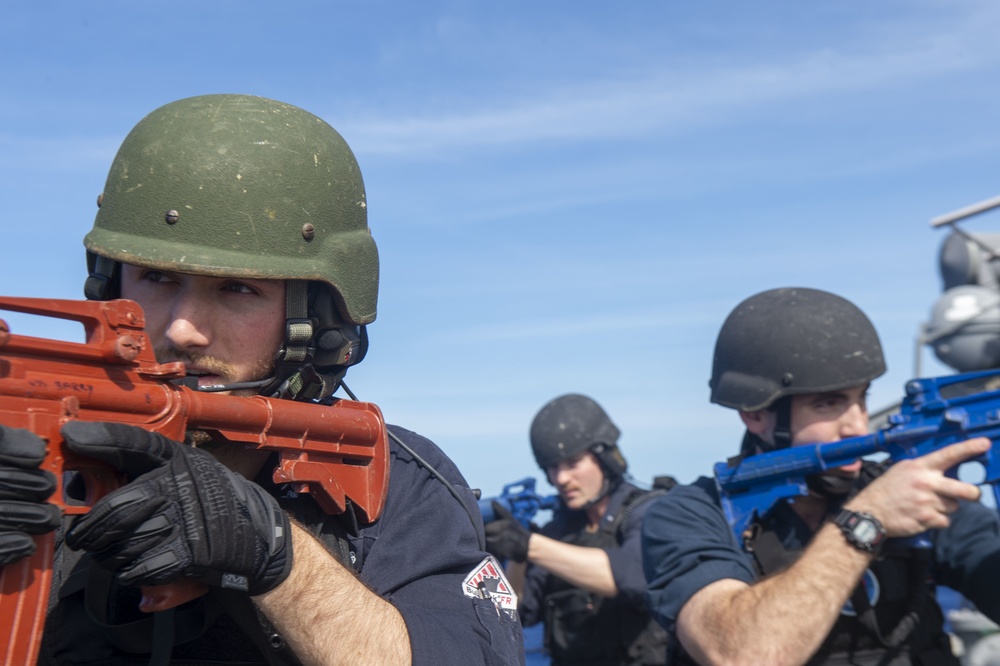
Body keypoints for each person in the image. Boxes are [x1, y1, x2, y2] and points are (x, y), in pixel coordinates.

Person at [0, 94, 523, 665]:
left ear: (315, 321)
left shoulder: (395, 485)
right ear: (109, 285)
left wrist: (273, 553)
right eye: (155, 277)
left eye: (238, 289)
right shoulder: (38, 461)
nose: (183, 328)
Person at [641, 287, 1000, 666]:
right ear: (755, 414)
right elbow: (743, 655)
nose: (857, 426)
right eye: (828, 403)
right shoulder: (690, 515)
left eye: (862, 399)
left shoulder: (915, 496)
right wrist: (869, 519)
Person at [485, 394, 671, 665]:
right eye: (552, 467)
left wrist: (530, 545)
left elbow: (631, 576)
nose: (561, 478)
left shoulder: (647, 511)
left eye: (573, 463)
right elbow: (513, 611)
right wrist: (515, 553)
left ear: (605, 458)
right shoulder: (557, 533)